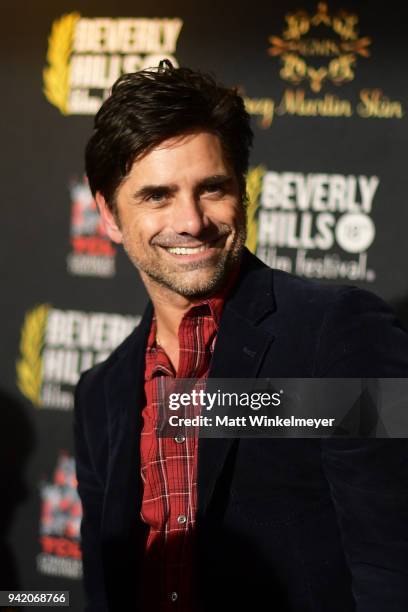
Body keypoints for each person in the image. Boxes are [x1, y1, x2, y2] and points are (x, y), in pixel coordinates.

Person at [74, 61, 408, 612]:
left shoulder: (336, 335)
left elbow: (392, 568)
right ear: (108, 213)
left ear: (244, 189)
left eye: (211, 188)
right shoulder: (100, 394)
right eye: (157, 196)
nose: (192, 221)